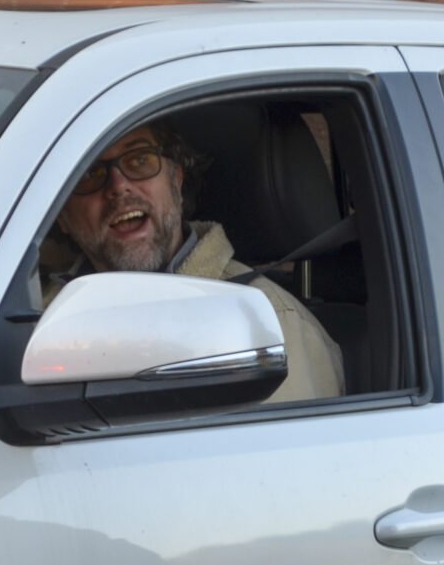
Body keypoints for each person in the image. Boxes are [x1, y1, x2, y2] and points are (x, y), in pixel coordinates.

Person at [45, 121, 344, 405]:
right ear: (61, 216)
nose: (119, 186)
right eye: (90, 173)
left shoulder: (271, 323)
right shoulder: (32, 326)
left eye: (139, 161)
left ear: (176, 179)